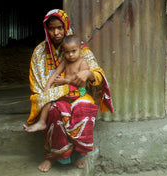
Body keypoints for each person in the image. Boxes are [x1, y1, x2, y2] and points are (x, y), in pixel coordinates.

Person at [24, 9, 114, 172]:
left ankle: (79, 155)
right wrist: (47, 94)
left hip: (77, 94)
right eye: (51, 28)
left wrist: (88, 74)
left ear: (66, 27)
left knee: (83, 108)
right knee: (55, 112)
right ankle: (51, 156)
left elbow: (98, 74)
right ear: (46, 29)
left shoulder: (81, 49)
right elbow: (37, 83)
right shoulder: (39, 53)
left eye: (59, 27)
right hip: (54, 97)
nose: (56, 32)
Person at [23, 34, 91, 133]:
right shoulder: (65, 62)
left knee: (52, 96)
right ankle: (42, 122)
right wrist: (47, 86)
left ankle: (44, 121)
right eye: (67, 52)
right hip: (67, 89)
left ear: (81, 49)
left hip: (79, 91)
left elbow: (80, 80)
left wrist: (65, 81)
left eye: (73, 51)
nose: (70, 55)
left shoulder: (82, 63)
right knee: (49, 96)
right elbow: (55, 73)